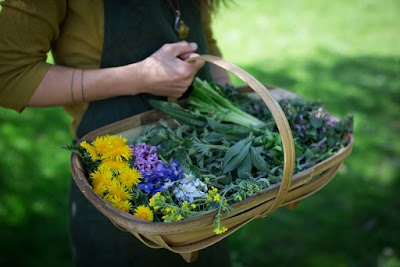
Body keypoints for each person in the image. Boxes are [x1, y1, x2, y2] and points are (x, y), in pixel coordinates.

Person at [0, 0, 232, 266]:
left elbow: (204, 40)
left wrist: (229, 102)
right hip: (116, 189)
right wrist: (138, 78)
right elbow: (8, 75)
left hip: (207, 183)